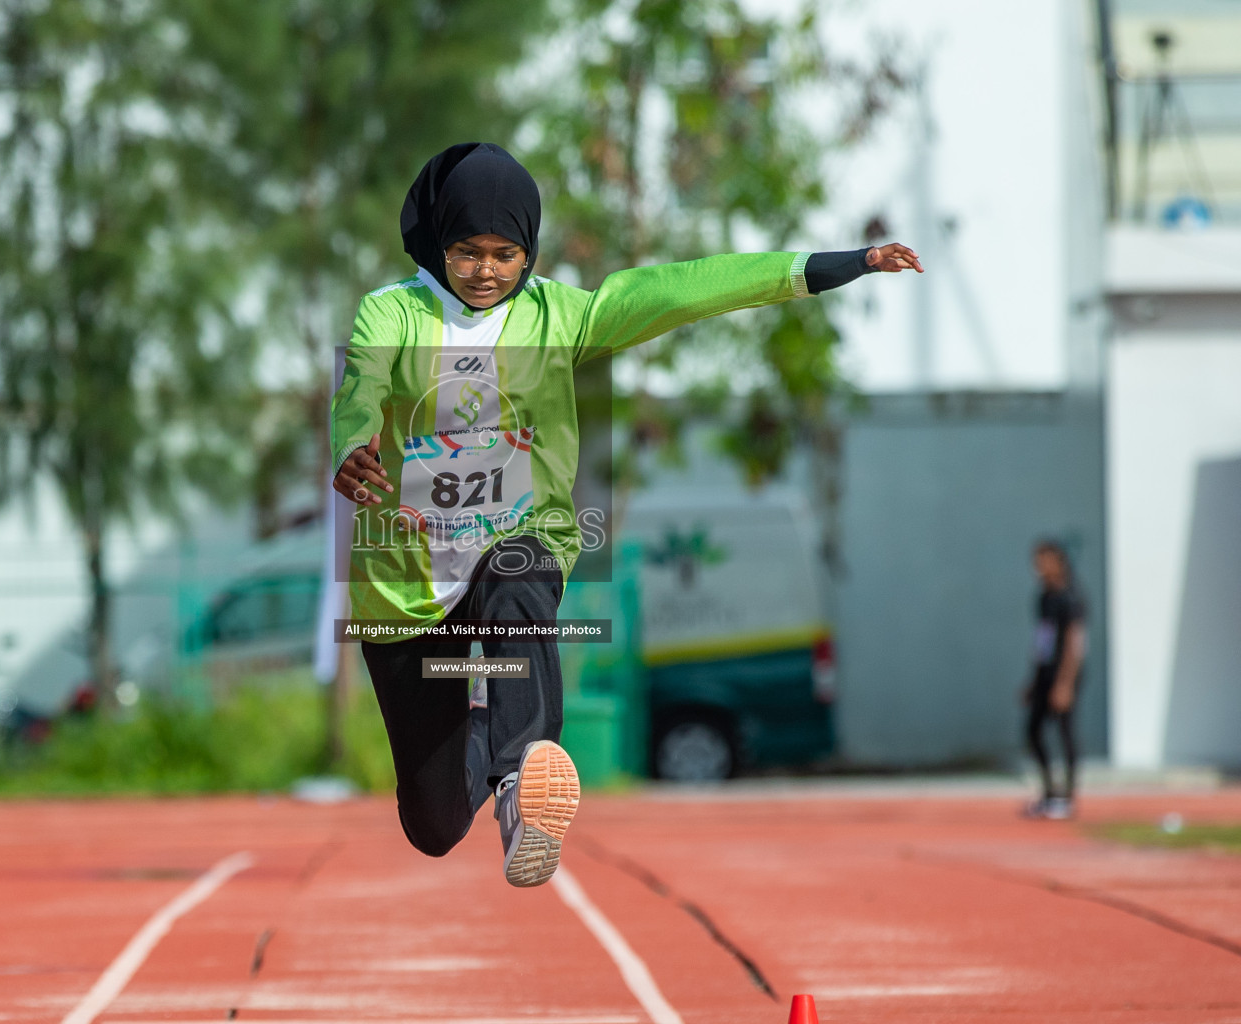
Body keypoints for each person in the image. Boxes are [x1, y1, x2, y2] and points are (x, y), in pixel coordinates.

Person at [330, 142, 922, 887]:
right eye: (466, 252)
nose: (485, 271)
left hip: (515, 536)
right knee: (436, 826)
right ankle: (483, 732)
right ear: (438, 242)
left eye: (505, 253)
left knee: (520, 573)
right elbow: (359, 389)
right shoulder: (391, 313)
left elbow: (689, 288)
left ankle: (523, 787)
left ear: (529, 250)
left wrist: (839, 265)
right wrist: (354, 446)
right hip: (406, 586)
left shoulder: (562, 316)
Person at [1021, 540, 1086, 820]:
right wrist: (1034, 680)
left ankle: (1067, 798)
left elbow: (1075, 642)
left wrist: (1065, 683)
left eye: (1043, 561)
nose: (1038, 568)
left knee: (1064, 732)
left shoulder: (1071, 597)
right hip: (1046, 673)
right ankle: (1049, 792)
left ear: (1058, 562)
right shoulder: (1044, 597)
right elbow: (1043, 642)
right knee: (1033, 731)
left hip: (1064, 674)